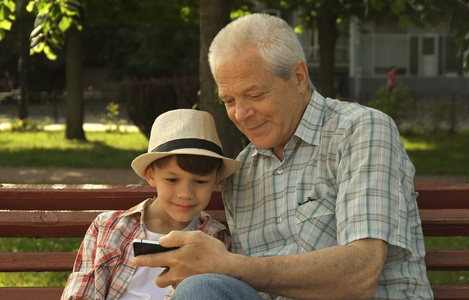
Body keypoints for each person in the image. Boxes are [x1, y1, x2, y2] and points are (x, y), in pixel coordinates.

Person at [134, 13, 433, 299]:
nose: (241, 114)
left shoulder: (359, 130)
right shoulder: (242, 172)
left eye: (255, 95)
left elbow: (362, 273)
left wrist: (228, 265)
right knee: (200, 289)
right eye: (229, 100)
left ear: (299, 77)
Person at [61, 109, 242, 300]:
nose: (185, 194)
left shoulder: (217, 241)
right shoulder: (108, 227)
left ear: (216, 180)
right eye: (172, 180)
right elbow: (81, 293)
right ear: (151, 176)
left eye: (200, 182)